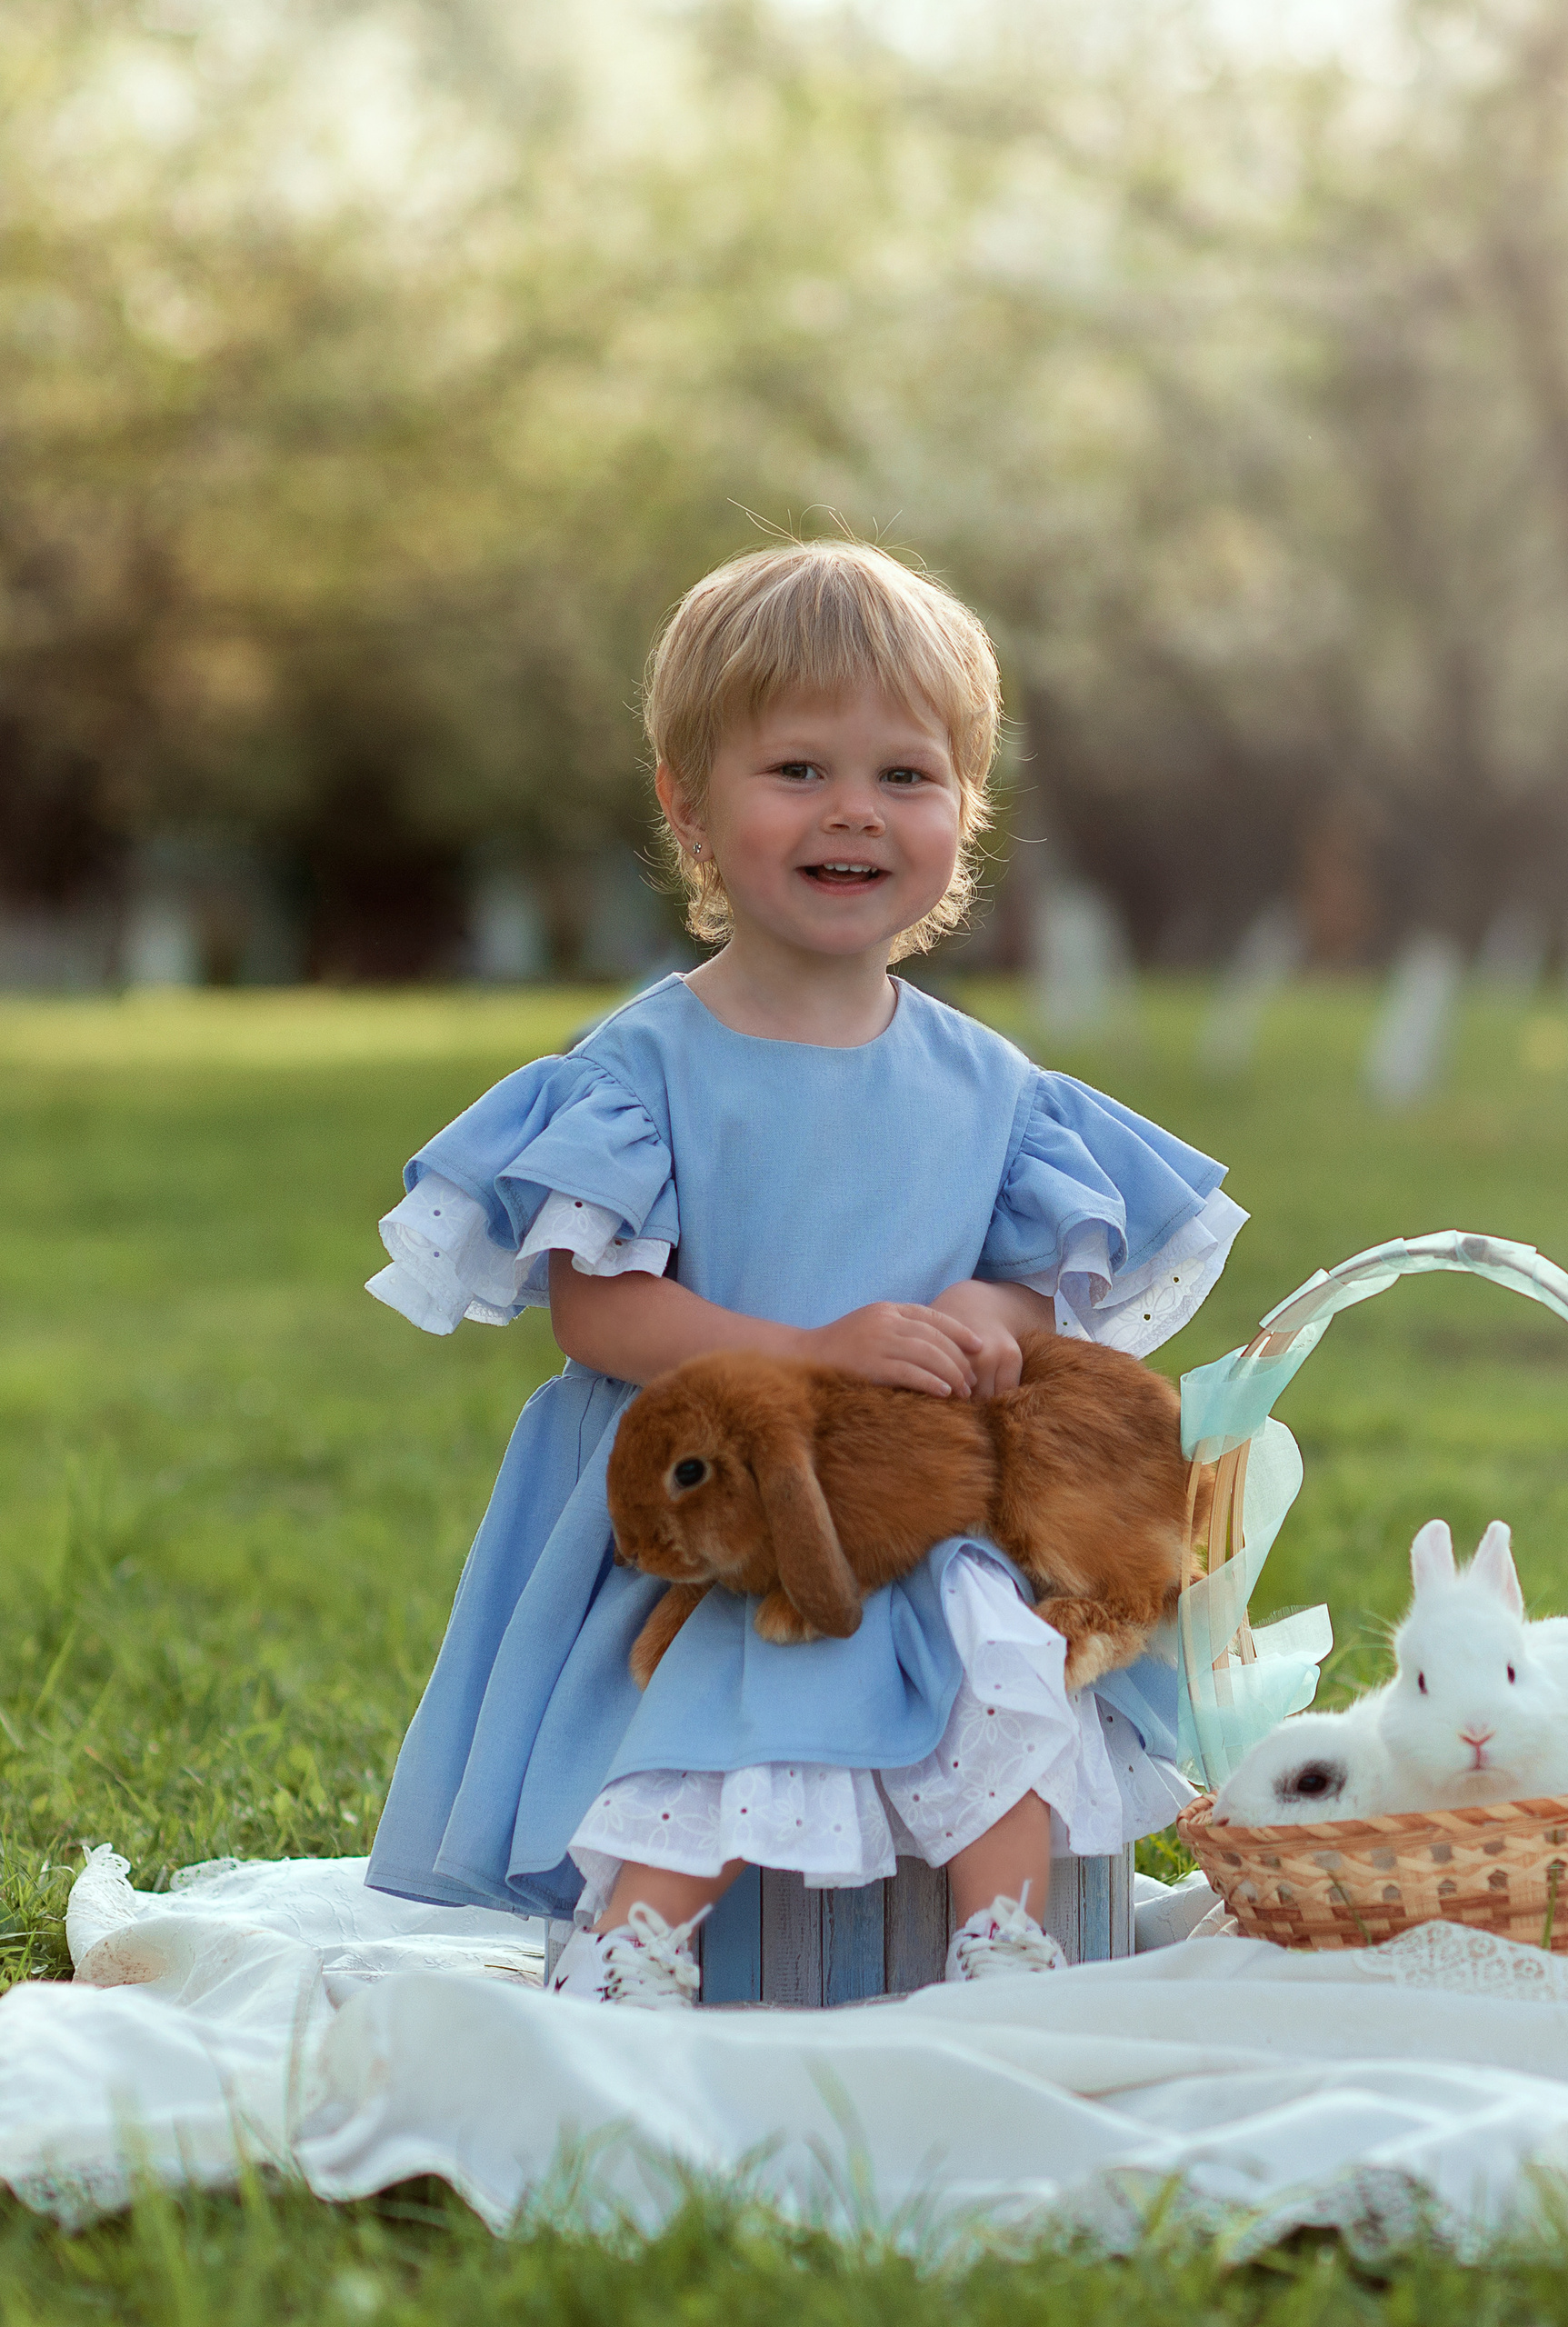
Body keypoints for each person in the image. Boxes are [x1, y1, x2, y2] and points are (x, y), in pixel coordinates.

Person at [362, 540, 1243, 2005]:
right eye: (797, 772)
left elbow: (1032, 1275)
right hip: (723, 1494)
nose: (855, 811)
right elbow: (600, 1308)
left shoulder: (991, 1084)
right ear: (688, 805)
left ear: (967, 808)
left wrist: (986, 1315)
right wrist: (807, 1352)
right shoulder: (646, 1069)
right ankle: (644, 1938)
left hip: (923, 1494)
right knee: (737, 1667)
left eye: (907, 776)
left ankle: (999, 1936)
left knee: (996, 1644)